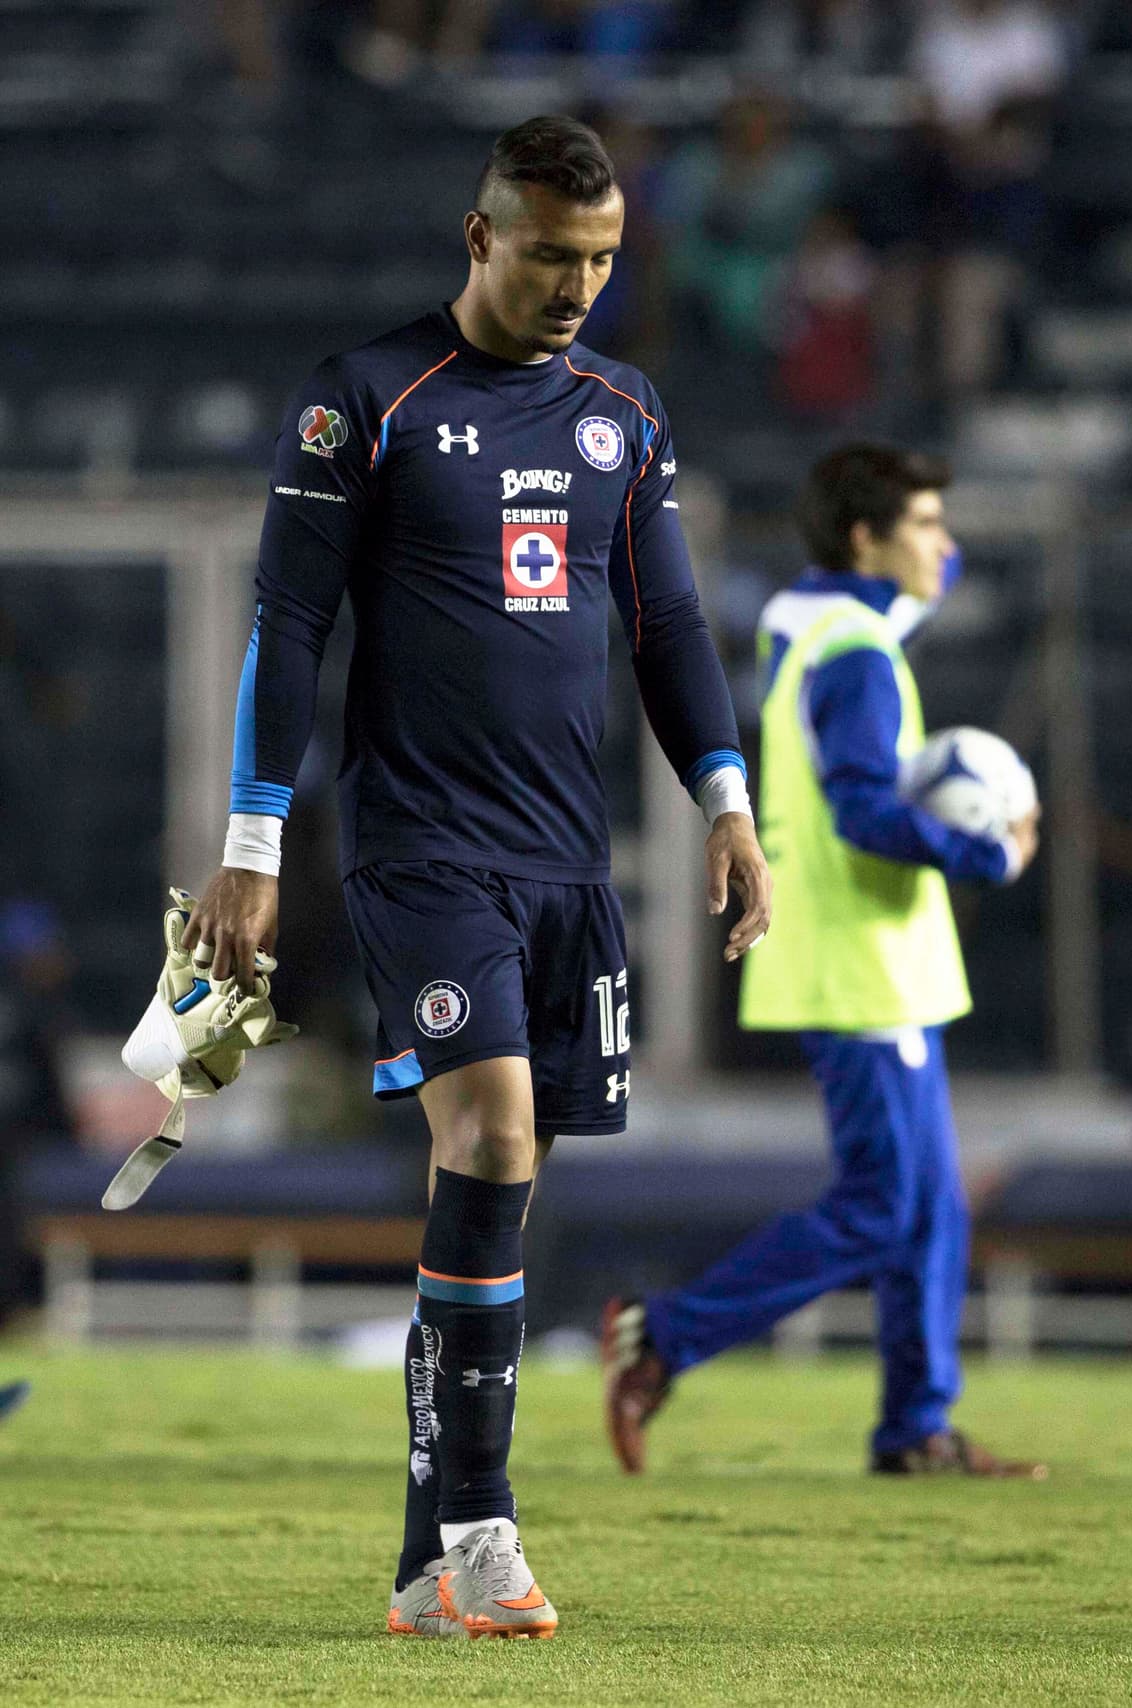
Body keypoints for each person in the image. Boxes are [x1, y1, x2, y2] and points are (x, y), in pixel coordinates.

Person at [177, 114, 771, 1640]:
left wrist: (727, 799)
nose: (579, 285)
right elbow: (288, 626)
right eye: (553, 254)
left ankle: (419, 1568)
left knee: (493, 1198)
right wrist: (251, 844)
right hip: (420, 846)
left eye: (602, 260)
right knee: (493, 1142)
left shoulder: (623, 412)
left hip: (568, 860)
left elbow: (671, 629)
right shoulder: (366, 399)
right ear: (480, 236)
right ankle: (488, 1534)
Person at [603, 442, 1045, 1478]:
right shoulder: (853, 653)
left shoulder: (812, 617)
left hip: (875, 960)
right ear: (863, 539)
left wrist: (913, 531)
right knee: (884, 1205)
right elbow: (858, 810)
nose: (948, 545)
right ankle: (662, 1336)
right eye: (926, 526)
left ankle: (915, 1427)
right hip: (861, 966)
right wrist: (990, 849)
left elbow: (918, 578)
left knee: (928, 1207)